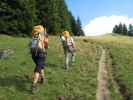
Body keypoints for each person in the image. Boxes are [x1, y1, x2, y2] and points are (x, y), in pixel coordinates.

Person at [30, 25, 48, 93]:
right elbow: (46, 45)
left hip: (33, 54)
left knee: (41, 66)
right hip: (41, 53)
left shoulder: (33, 36)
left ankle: (43, 79)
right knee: (38, 68)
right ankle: (34, 85)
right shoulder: (42, 35)